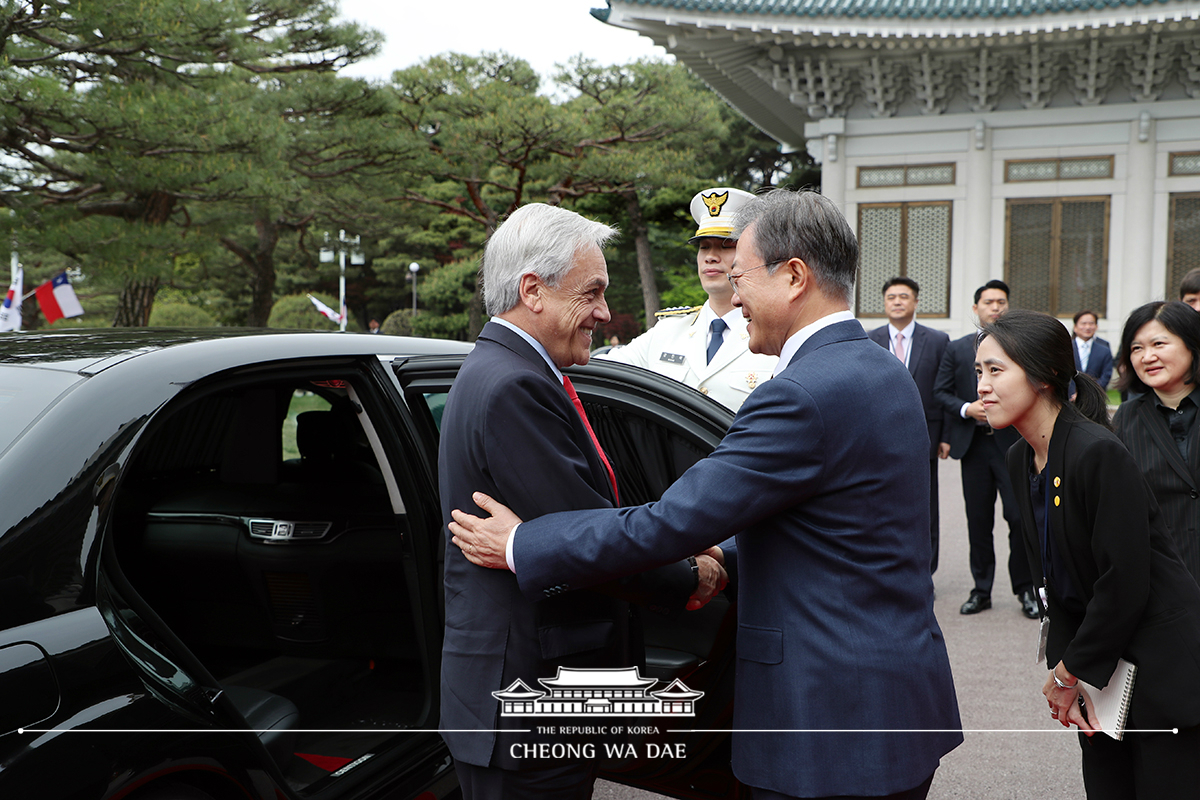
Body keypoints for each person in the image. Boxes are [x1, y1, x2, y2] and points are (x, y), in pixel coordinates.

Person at [450, 189, 963, 800]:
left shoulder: (801, 392)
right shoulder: (882, 370)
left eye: (741, 276)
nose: (732, 293)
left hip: (825, 718)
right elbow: (838, 532)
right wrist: (719, 562)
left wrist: (521, 544)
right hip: (894, 695)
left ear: (794, 276)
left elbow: (670, 521)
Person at [437, 203, 725, 800]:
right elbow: (585, 539)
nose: (603, 312)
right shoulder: (515, 385)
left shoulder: (511, 370)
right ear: (533, 290)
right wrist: (688, 575)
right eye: (591, 293)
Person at [977, 309, 1200, 799]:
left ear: (1043, 377)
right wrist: (1071, 674)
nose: (983, 387)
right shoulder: (1020, 455)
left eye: (996, 370)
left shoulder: (1096, 451)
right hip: (1101, 668)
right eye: (979, 372)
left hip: (1160, 666)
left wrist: (1069, 672)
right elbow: (1054, 586)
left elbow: (1123, 583)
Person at [601, 187, 777, 410]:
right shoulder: (668, 332)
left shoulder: (774, 335)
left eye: (726, 245)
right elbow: (602, 371)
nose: (710, 257)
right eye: (704, 247)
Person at [934, 280, 1038, 618]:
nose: (995, 307)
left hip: (1012, 446)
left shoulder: (1021, 348)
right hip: (975, 446)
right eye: (988, 302)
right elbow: (941, 392)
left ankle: (1026, 590)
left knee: (1019, 518)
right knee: (977, 520)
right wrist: (968, 408)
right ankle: (981, 590)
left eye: (1001, 302)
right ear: (976, 308)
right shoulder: (957, 348)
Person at [1112, 301, 1200, 583]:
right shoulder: (1126, 418)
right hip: (1164, 581)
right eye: (1136, 348)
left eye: (1159, 343)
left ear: (1192, 344)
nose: (1147, 356)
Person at [868, 277, 950, 573]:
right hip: (878, 438)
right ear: (885, 303)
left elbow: (943, 391)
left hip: (925, 437)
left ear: (916, 302)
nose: (898, 301)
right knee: (882, 504)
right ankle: (888, 566)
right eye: (892, 297)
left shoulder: (938, 341)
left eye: (904, 296)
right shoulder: (869, 339)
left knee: (926, 507)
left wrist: (945, 436)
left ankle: (926, 570)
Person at [1071, 310, 1113, 390]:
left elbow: (1106, 375)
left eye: (1091, 323)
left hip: (1095, 396)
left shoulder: (1104, 350)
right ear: (1075, 327)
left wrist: (1090, 393)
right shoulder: (1066, 348)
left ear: (1096, 326)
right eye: (1083, 323)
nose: (1088, 327)